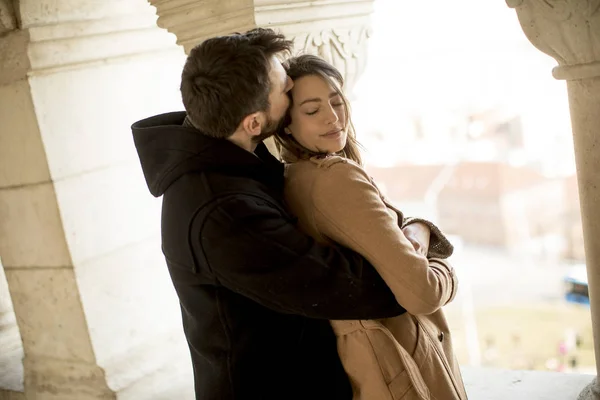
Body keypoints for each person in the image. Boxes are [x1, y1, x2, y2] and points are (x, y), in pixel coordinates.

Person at [131, 28, 409, 400]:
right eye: (283, 89)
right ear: (254, 123)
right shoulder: (225, 214)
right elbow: (361, 289)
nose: (291, 84)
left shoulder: (228, 158)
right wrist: (417, 239)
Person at [275, 54, 468, 400]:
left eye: (336, 101)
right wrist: (446, 270)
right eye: (312, 110)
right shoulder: (335, 178)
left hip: (369, 362)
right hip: (399, 358)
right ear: (287, 123)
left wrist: (418, 228)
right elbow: (421, 293)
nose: (333, 116)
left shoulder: (294, 176)